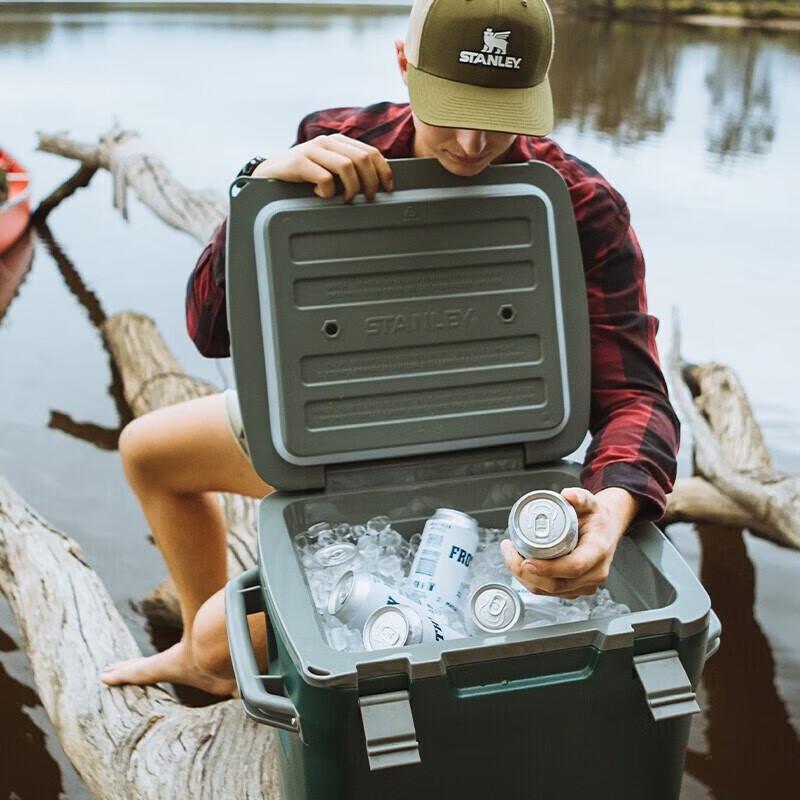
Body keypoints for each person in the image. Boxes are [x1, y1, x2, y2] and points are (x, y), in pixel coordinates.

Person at [101, 0, 679, 694]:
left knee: (220, 637)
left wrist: (612, 508)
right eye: (451, 108)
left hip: (481, 450)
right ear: (404, 64)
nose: (471, 142)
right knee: (147, 451)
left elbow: (636, 398)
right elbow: (209, 331)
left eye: (500, 115)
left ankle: (210, 651)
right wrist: (259, 191)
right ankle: (210, 663)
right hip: (341, 426)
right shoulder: (334, 144)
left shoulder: (582, 203)